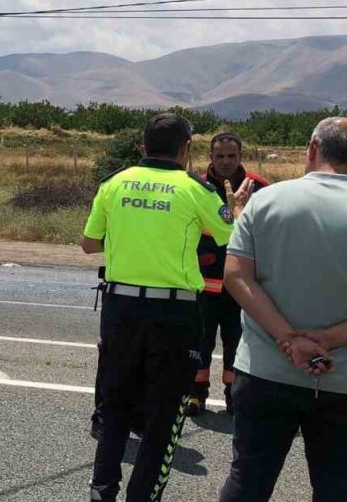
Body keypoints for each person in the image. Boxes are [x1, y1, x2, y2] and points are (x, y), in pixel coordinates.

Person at [218, 117, 347, 502]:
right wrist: (327, 339)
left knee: (248, 481)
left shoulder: (265, 201)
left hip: (266, 372)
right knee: (338, 488)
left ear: (312, 150)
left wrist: (289, 338)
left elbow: (236, 277)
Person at [81, 113, 252, 502]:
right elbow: (231, 235)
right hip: (174, 315)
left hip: (120, 309)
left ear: (142, 145)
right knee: (163, 415)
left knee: (115, 408)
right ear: (186, 148)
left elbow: (90, 243)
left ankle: (101, 492)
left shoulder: (115, 183)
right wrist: (236, 211)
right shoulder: (195, 189)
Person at [187, 133, 269, 416]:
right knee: (200, 342)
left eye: (231, 156)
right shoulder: (196, 187)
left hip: (242, 285)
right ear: (210, 156)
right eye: (219, 156)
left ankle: (235, 396)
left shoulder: (258, 187)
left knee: (238, 342)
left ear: (240, 156)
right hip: (202, 282)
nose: (225, 161)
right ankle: (195, 395)